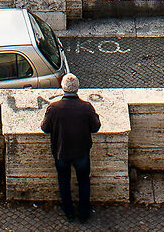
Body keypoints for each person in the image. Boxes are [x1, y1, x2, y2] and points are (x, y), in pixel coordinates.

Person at [40, 73, 101, 223]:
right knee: (84, 182)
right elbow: (95, 127)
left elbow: (45, 128)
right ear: (77, 88)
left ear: (63, 88)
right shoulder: (86, 107)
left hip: (61, 152)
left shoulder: (53, 108)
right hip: (81, 152)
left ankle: (69, 213)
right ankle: (84, 214)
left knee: (64, 182)